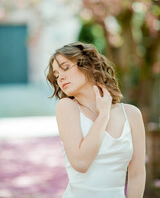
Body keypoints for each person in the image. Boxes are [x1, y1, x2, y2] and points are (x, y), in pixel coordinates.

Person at [46, 41, 146, 198]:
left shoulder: (132, 114)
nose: (60, 78)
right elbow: (81, 163)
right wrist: (103, 115)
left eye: (65, 68)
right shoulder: (66, 107)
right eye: (56, 75)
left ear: (90, 65)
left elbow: (137, 174)